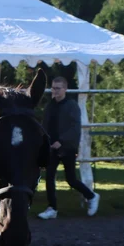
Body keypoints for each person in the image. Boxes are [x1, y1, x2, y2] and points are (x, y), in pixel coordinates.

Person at [38, 76, 99, 219]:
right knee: (49, 177)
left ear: (65, 89)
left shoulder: (72, 105)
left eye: (58, 88)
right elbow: (45, 125)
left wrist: (62, 141)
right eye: (53, 88)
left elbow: (75, 128)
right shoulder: (49, 106)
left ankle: (91, 196)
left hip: (67, 148)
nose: (55, 91)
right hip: (52, 147)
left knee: (71, 179)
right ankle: (52, 208)